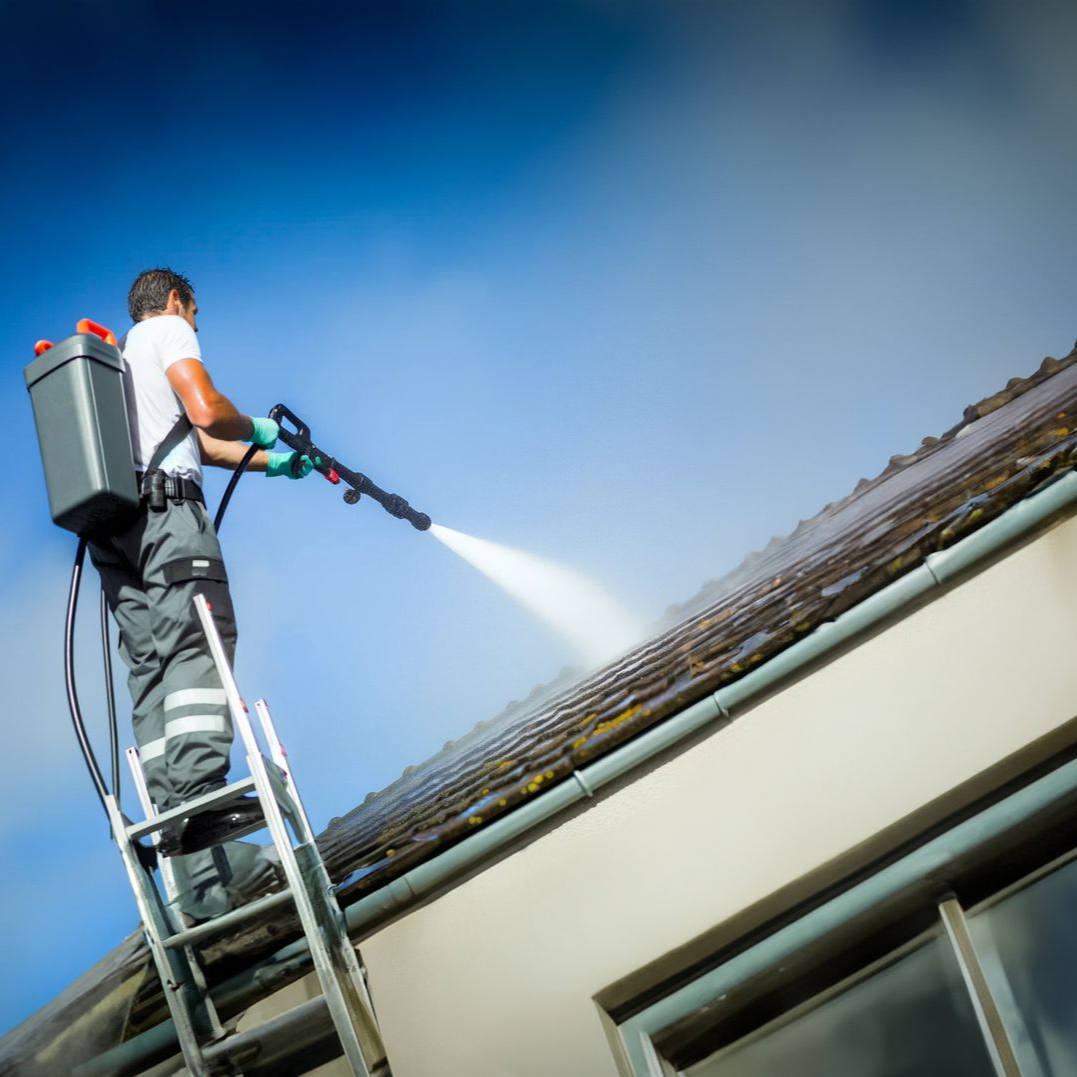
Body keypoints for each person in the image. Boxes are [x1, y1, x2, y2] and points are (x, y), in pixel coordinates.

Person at [88, 267, 312, 922]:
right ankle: (204, 808)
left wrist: (275, 461)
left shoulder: (116, 362)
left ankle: (191, 871)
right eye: (195, 315)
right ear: (180, 302)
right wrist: (261, 428)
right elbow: (209, 411)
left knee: (153, 671)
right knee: (198, 643)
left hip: (115, 532)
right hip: (169, 521)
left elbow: (199, 443)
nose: (194, 326)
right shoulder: (166, 332)